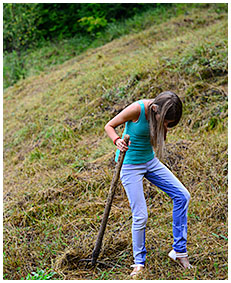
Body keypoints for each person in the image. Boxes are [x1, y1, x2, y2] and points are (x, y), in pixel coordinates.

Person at [104, 91, 193, 277]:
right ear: (154, 109)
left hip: (150, 162)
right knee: (141, 215)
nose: (166, 126)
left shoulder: (161, 113)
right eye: (165, 122)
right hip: (129, 166)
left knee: (182, 196)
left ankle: (179, 251)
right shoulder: (138, 109)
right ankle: (138, 262)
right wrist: (117, 140)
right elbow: (109, 125)